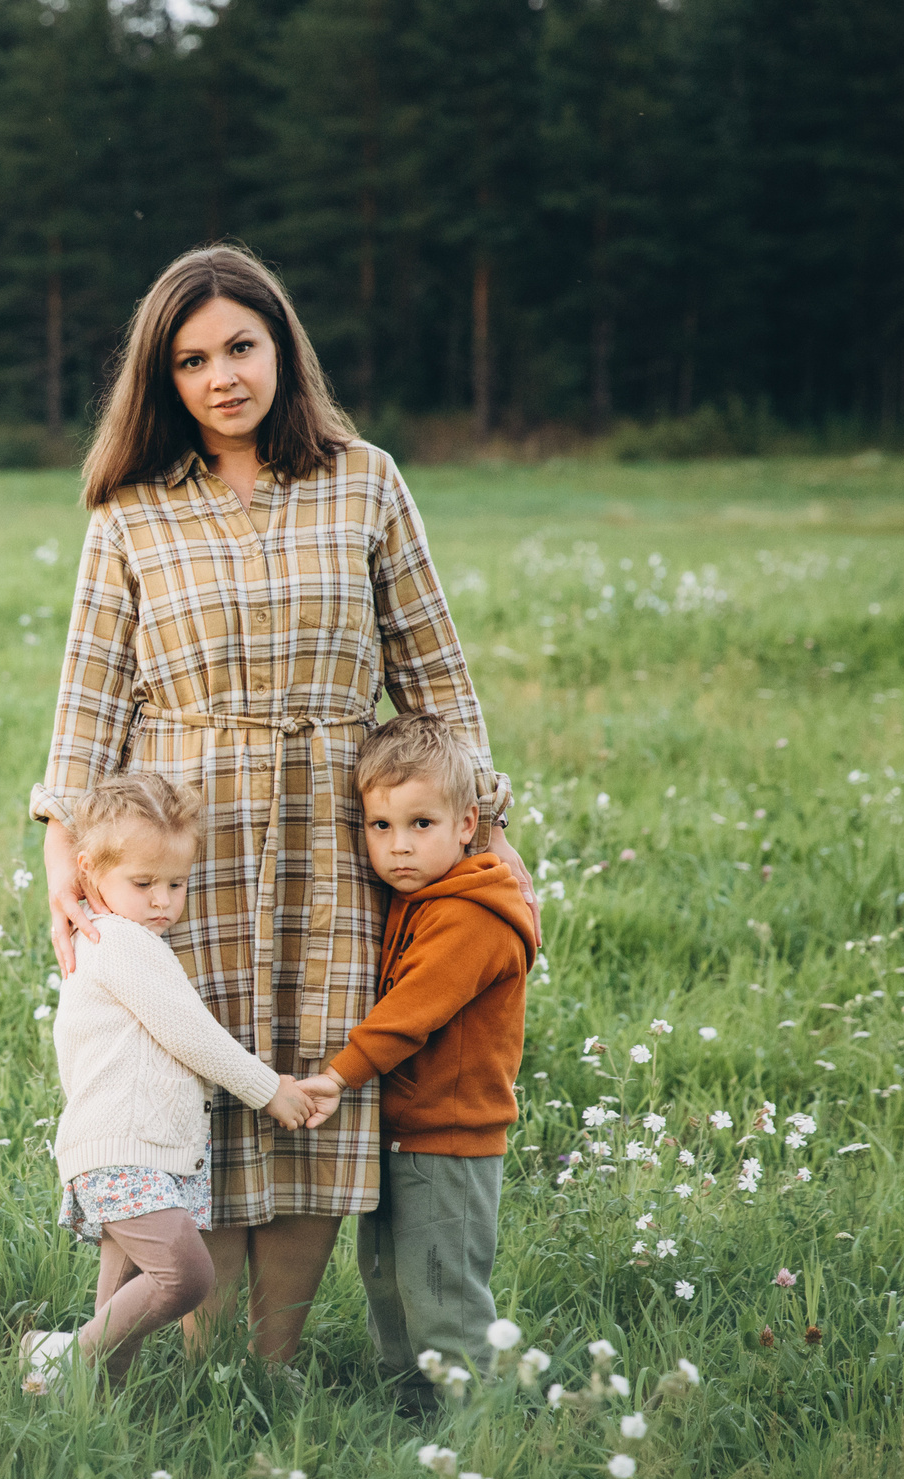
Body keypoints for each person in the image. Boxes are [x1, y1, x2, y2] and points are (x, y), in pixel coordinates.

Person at [34, 242, 530, 1375]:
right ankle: (197, 1361)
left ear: (280, 348)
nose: (222, 377)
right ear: (163, 381)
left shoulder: (364, 479)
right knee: (191, 1083)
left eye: (241, 347)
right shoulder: (130, 513)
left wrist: (486, 827)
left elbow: (435, 673)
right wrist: (62, 849)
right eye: (192, 359)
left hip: (328, 827)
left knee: (310, 1085)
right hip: (180, 840)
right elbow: (89, 696)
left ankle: (273, 1361)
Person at [22, 773, 318, 1393]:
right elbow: (192, 1034)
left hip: (133, 1150)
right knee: (186, 1278)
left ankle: (90, 1410)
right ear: (87, 871)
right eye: (143, 883)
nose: (162, 901)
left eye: (176, 884)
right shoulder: (122, 943)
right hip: (126, 1150)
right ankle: (60, 1357)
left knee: (120, 1302)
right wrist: (271, 1090)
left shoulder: (122, 941)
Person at [289, 713, 539, 1411]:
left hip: (450, 1139)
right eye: (380, 826)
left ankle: (482, 1427)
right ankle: (411, 1414)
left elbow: (411, 1012)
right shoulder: (416, 896)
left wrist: (339, 1075)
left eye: (420, 824)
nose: (398, 847)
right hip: (399, 1130)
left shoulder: (473, 915)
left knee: (441, 1293)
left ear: (468, 824)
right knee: (388, 1284)